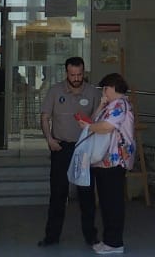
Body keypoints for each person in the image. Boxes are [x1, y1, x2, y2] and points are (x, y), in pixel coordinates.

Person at [36, 57, 97, 248]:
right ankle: (51, 236)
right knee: (58, 194)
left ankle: (91, 236)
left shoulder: (93, 92)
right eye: (72, 75)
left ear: (84, 72)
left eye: (79, 74)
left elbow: (99, 120)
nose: (76, 78)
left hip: (84, 149)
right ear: (66, 73)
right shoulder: (55, 91)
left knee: (86, 194)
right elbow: (45, 117)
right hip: (61, 148)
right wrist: (49, 139)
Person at [80, 72, 136, 256]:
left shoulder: (120, 104)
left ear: (112, 87)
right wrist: (101, 105)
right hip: (104, 161)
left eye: (105, 88)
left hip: (114, 160)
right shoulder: (111, 105)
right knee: (106, 201)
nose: (103, 92)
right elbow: (95, 120)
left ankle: (114, 242)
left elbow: (106, 127)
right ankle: (109, 240)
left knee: (112, 202)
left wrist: (88, 127)